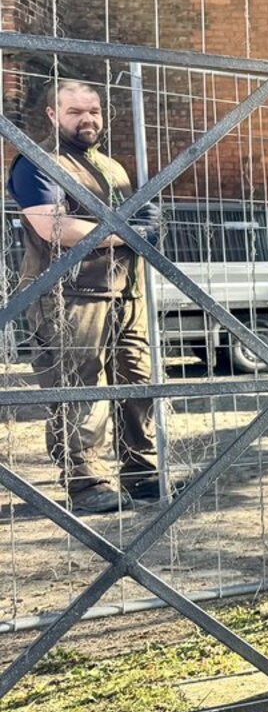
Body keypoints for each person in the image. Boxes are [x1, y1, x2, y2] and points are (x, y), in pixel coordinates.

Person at [6, 79, 163, 515]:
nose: (87, 119)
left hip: (125, 292)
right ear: (53, 115)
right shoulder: (37, 162)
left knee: (138, 384)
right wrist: (127, 232)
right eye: (74, 112)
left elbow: (134, 226)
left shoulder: (111, 167)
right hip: (68, 295)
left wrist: (148, 225)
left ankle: (142, 473)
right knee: (80, 390)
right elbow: (53, 227)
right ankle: (87, 482)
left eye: (93, 111)